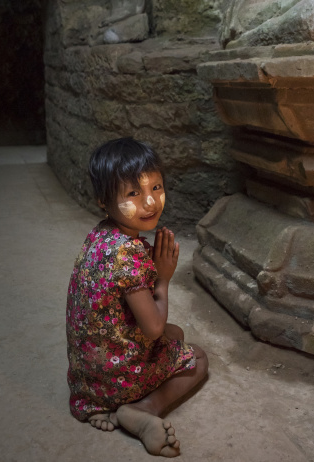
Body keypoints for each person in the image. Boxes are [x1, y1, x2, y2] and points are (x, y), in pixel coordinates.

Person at [66, 137, 208, 457]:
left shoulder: (100, 235)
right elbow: (154, 328)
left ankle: (108, 403)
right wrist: (164, 279)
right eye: (133, 193)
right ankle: (144, 409)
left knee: (178, 335)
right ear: (104, 199)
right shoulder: (128, 254)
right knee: (197, 356)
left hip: (87, 375)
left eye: (156, 187)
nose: (150, 202)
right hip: (116, 376)